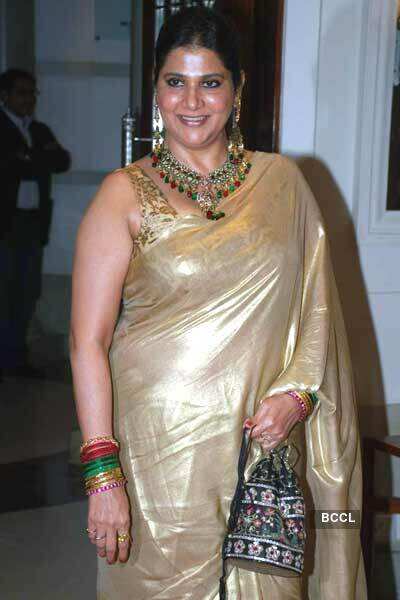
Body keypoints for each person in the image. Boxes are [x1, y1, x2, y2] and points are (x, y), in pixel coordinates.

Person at [70, 7, 367, 599]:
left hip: (262, 446)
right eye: (175, 82)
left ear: (237, 89)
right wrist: (103, 474)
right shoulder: (122, 194)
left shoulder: (283, 183)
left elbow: (317, 313)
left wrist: (299, 395)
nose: (192, 101)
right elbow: (87, 342)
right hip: (158, 456)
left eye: (210, 82)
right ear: (156, 88)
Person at [0, 68, 70, 378]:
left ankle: (16, 357)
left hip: (32, 221)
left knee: (28, 291)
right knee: (5, 290)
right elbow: (10, 166)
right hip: (5, 222)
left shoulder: (39, 130)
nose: (29, 99)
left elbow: (63, 161)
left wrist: (29, 158)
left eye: (32, 93)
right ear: (5, 96)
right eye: (22, 93)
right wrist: (35, 159)